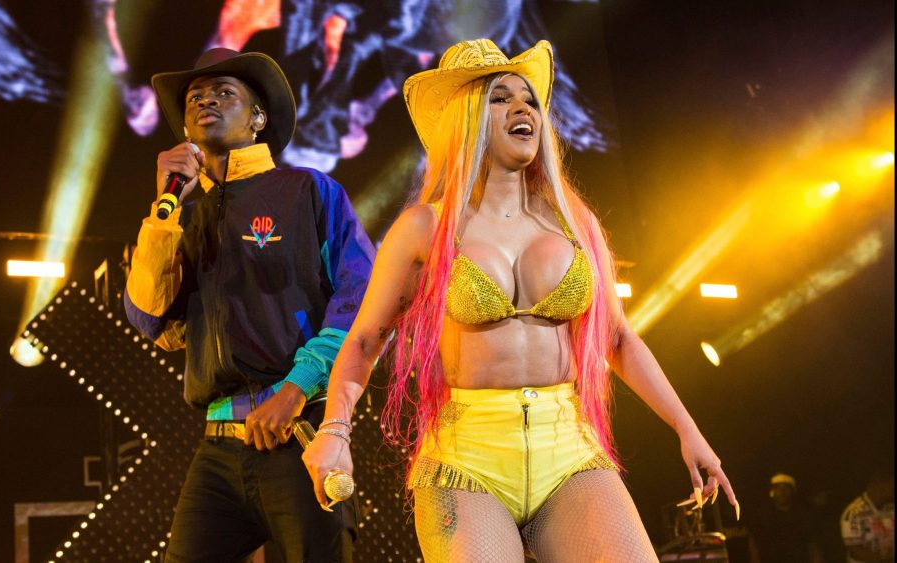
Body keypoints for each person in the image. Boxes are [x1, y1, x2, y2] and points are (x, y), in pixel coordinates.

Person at [300, 38, 740, 562]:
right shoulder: (424, 228)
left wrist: (688, 430)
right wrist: (335, 430)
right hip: (467, 459)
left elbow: (619, 339)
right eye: (500, 98)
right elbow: (364, 341)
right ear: (466, 118)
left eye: (529, 99)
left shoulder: (574, 222)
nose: (522, 108)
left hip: (569, 450)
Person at [124, 46, 376, 562]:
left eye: (224, 92)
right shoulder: (180, 217)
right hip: (218, 447)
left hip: (299, 431)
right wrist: (162, 212)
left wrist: (295, 388)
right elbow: (149, 319)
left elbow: (363, 300)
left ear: (258, 118)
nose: (206, 101)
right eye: (195, 97)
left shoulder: (308, 191)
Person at [752, 473, 824, 563]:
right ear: (772, 492)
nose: (782, 491)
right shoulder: (763, 517)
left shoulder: (803, 515)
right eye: (778, 488)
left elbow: (813, 546)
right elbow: (755, 546)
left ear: (792, 491)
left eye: (786, 488)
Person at [840, 468, 895, 563]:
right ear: (878, 485)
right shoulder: (853, 513)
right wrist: (887, 559)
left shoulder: (890, 507)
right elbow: (857, 552)